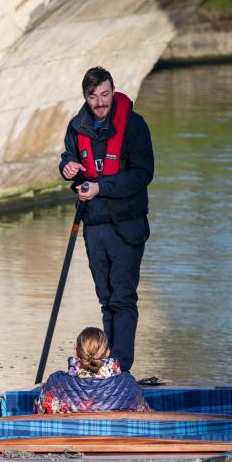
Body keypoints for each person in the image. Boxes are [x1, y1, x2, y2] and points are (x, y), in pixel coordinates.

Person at [59, 66, 154, 373]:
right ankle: (105, 365)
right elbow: (69, 157)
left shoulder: (134, 126)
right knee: (107, 298)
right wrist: (69, 168)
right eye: (93, 96)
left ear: (113, 92)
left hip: (127, 225)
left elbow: (143, 174)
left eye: (105, 94)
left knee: (123, 298)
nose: (100, 102)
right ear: (85, 97)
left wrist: (102, 187)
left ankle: (120, 369)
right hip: (95, 224)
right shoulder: (77, 127)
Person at [34, 327, 150, 414]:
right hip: (118, 445)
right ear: (108, 352)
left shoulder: (55, 383)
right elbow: (146, 415)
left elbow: (38, 413)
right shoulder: (128, 384)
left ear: (75, 351)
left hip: (66, 445)